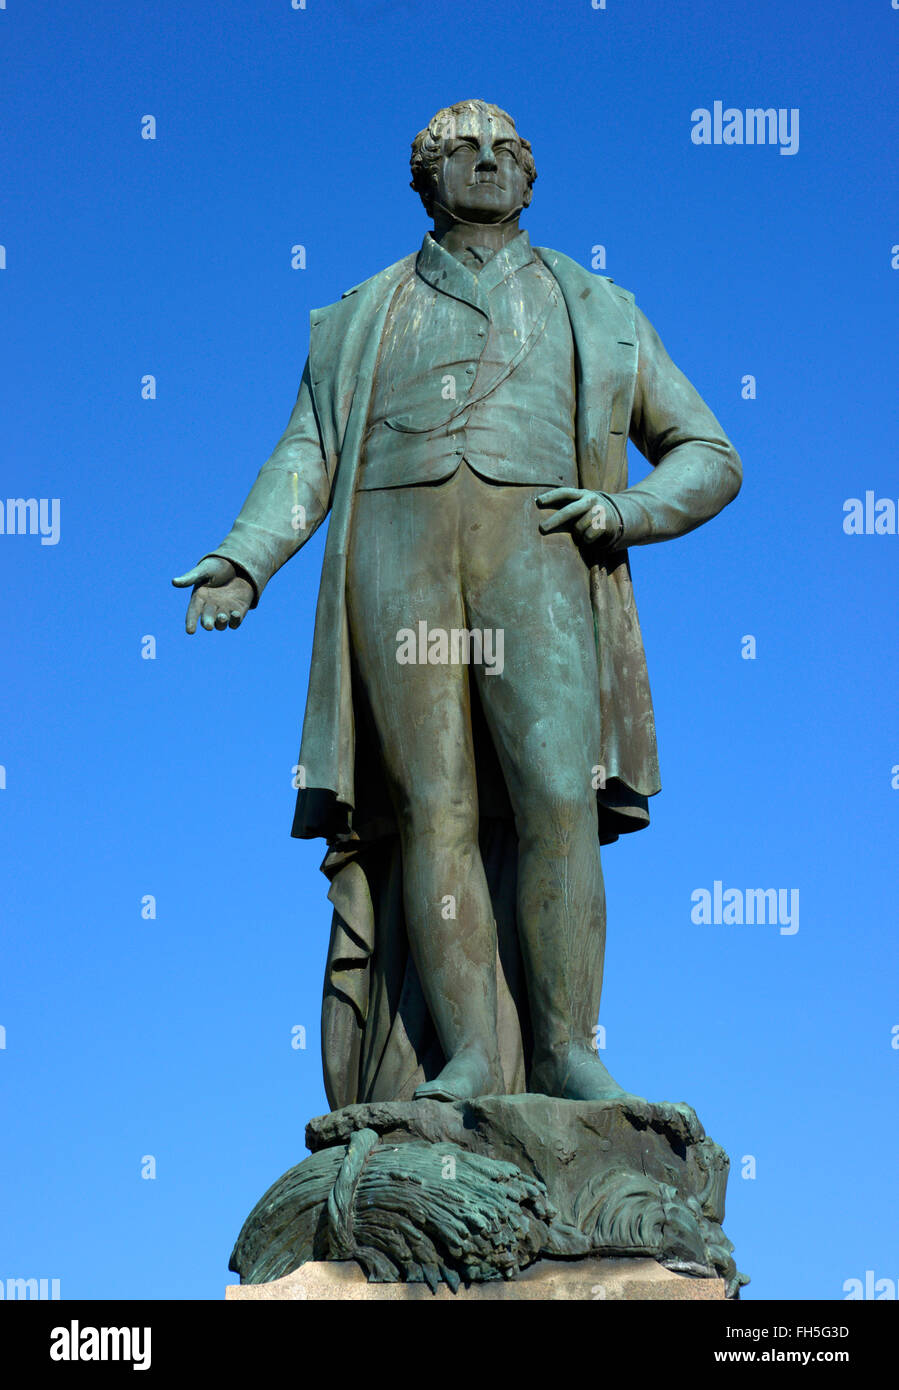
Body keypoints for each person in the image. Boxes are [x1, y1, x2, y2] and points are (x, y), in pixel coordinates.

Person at [173, 99, 741, 1108]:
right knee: (432, 807)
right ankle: (474, 1048)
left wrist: (625, 508)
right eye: (457, 148)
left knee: (557, 797)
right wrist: (244, 558)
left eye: (506, 148)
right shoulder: (357, 317)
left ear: (530, 176)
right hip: (395, 553)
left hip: (542, 546)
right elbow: (308, 451)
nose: (485, 159)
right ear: (421, 180)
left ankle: (565, 1047)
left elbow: (708, 453)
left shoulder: (597, 306)